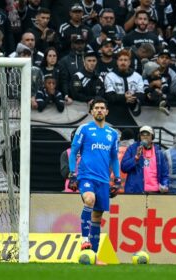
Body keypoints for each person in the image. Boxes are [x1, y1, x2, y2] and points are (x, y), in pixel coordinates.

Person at [68, 97, 121, 262]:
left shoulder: (113, 134)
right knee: (89, 199)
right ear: (91, 112)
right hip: (86, 176)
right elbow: (74, 150)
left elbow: (114, 158)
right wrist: (72, 174)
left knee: (97, 217)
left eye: (102, 108)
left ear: (107, 111)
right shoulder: (83, 129)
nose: (99, 110)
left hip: (103, 180)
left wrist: (117, 179)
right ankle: (84, 241)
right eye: (96, 108)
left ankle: (95, 256)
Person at [121, 125, 169, 194]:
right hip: (136, 191)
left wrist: (165, 185)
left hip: (155, 192)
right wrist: (135, 158)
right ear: (139, 137)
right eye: (142, 135)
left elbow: (165, 173)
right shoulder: (132, 149)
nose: (145, 137)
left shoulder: (158, 152)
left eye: (147, 134)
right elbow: (124, 168)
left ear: (152, 136)